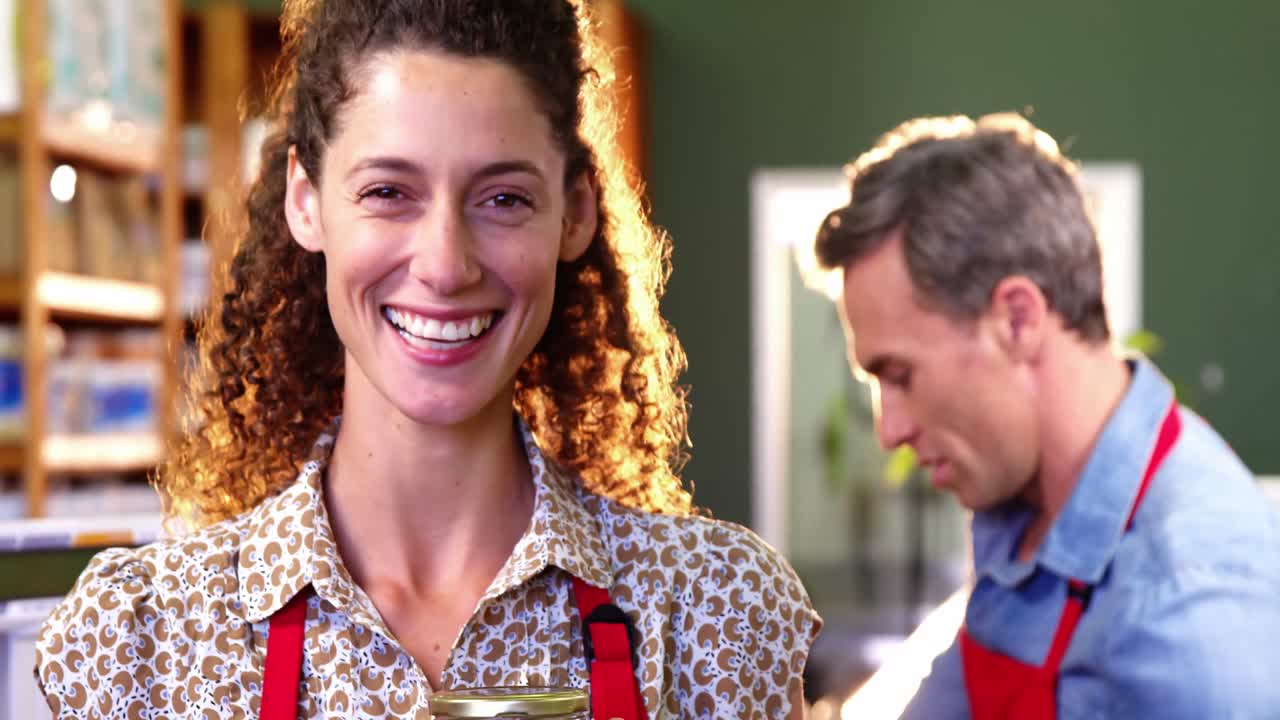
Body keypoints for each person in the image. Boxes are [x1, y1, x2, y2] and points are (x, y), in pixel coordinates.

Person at [35, 1, 820, 717]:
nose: (445, 265)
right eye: (388, 193)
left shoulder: (716, 614)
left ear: (574, 213)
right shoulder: (142, 645)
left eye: (503, 198)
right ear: (304, 200)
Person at [812, 113, 1280, 718]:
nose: (889, 430)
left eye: (900, 376)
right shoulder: (1025, 513)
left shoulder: (1189, 614)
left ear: (1018, 320)